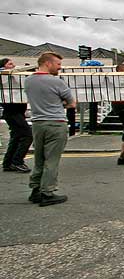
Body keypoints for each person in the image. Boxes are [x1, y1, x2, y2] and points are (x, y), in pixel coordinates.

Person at [24, 52, 76, 206]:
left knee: (39, 158)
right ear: (48, 63)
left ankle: (35, 190)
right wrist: (61, 104)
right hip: (56, 123)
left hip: (38, 123)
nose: (60, 68)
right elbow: (72, 103)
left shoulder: (28, 81)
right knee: (52, 159)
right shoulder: (57, 82)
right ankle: (48, 192)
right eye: (58, 64)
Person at [1, 58, 33, 173]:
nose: (13, 65)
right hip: (12, 112)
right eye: (10, 64)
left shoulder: (14, 77)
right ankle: (17, 161)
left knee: (16, 137)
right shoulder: (4, 77)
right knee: (27, 135)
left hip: (17, 112)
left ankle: (8, 163)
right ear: (3, 67)